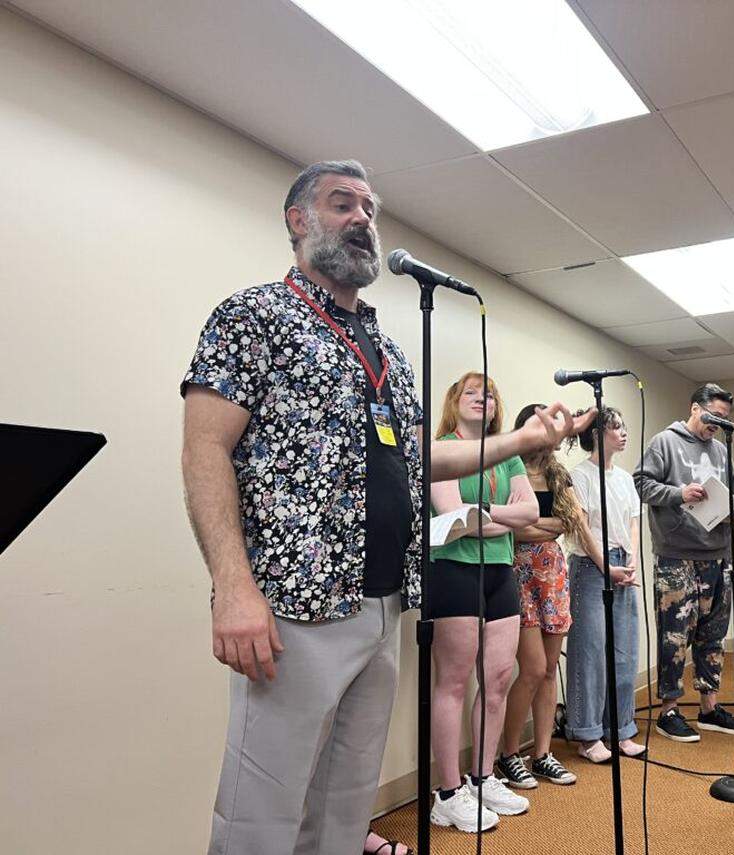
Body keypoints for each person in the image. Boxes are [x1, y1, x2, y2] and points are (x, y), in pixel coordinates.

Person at [181, 160, 591, 855]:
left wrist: (522, 439)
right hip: (292, 605)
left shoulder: (388, 352)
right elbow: (204, 451)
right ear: (297, 221)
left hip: (383, 605)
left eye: (371, 208)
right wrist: (233, 586)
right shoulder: (252, 316)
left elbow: (422, 460)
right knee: (263, 811)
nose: (363, 218)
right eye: (343, 204)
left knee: (344, 804)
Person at [428, 373, 537, 832]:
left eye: (489, 394)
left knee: (496, 681)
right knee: (453, 683)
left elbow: (531, 513)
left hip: (499, 572)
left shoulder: (507, 456)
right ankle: (448, 793)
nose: (481, 399)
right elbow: (453, 519)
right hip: (452, 570)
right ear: (455, 403)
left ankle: (483, 776)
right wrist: (501, 517)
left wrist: (485, 518)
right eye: (471, 393)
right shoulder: (442, 450)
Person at [633, 383, 734, 742]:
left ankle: (709, 709)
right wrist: (678, 493)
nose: (718, 423)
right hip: (676, 554)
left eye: (725, 418)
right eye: (714, 415)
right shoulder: (664, 442)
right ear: (695, 408)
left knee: (712, 635)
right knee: (675, 636)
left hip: (717, 554)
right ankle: (668, 711)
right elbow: (640, 483)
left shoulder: (720, 448)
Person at [496, 404, 586, 789]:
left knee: (550, 670)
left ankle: (542, 754)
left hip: (554, 574)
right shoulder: (506, 469)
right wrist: (538, 528)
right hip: (516, 574)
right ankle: (508, 755)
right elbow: (507, 529)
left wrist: (536, 525)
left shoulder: (557, 472)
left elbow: (570, 521)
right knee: (531, 668)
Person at [564, 407, 647, 762]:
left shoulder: (626, 478)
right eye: (616, 426)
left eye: (624, 426)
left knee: (625, 651)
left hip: (622, 564)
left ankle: (621, 729)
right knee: (590, 653)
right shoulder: (578, 475)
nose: (624, 432)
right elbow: (580, 526)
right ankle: (587, 735)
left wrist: (632, 560)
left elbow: (632, 522)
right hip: (589, 565)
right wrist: (604, 565)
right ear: (596, 434)